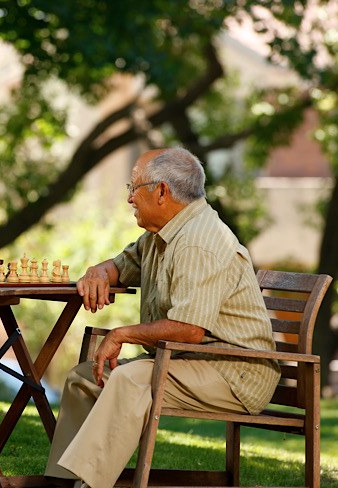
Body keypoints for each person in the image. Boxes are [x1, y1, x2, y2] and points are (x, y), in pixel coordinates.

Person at [44, 147, 281, 488]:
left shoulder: (200, 241)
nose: (128, 198)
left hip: (233, 371)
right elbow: (123, 265)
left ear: (161, 192)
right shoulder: (164, 232)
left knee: (131, 380)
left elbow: (189, 329)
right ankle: (61, 483)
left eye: (133, 187)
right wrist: (98, 272)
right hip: (190, 360)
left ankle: (89, 484)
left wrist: (121, 334)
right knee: (86, 376)